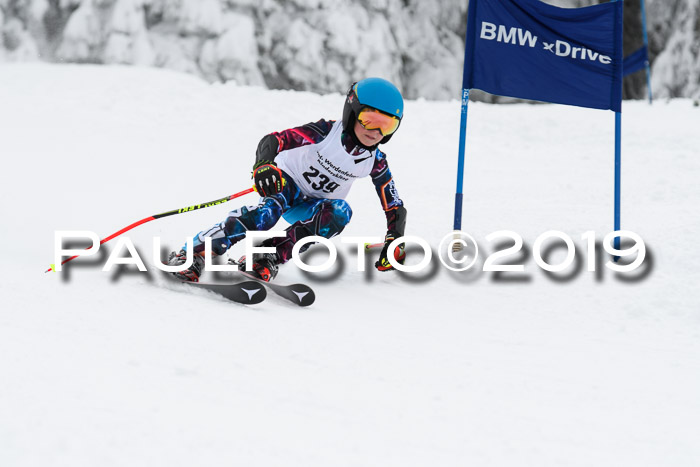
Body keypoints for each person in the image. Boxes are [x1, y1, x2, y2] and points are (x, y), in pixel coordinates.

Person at [167, 77, 407, 282]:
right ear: (352, 111)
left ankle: (265, 255)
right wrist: (264, 164)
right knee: (266, 215)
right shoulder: (325, 132)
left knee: (340, 212)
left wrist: (395, 239)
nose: (375, 132)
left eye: (386, 125)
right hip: (286, 184)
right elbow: (274, 140)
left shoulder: (375, 160)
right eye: (369, 119)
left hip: (312, 205)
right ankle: (195, 252)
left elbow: (394, 205)